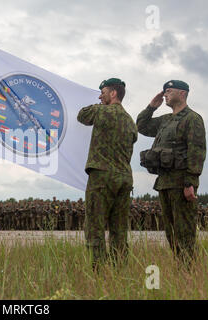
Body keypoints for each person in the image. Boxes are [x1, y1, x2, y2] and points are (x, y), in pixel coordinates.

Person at [137, 80, 206, 263]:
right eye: (164, 91)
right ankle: (181, 269)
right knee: (171, 232)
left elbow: (196, 151)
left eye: (169, 91)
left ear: (182, 93)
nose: (165, 94)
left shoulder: (192, 118)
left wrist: (190, 182)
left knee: (185, 231)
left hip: (181, 182)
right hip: (165, 182)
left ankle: (189, 271)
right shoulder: (166, 120)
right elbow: (141, 126)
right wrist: (151, 107)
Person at [77, 78, 138, 269]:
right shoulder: (130, 121)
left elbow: (82, 115)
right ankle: (119, 269)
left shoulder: (102, 111)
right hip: (124, 179)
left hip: (102, 177)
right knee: (119, 230)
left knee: (94, 227)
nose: (100, 96)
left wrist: (100, 104)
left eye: (103, 92)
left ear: (113, 93)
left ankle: (98, 271)